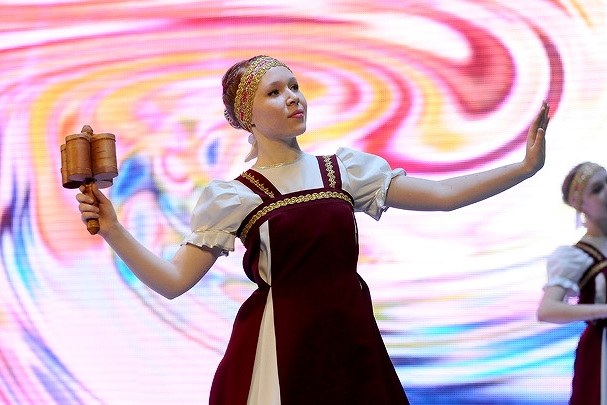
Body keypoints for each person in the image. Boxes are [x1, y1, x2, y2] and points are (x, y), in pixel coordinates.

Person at [77, 55, 550, 405]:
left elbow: (443, 195)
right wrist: (114, 229)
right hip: (281, 346)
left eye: (294, 86)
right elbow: (174, 281)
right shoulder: (235, 196)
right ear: (247, 116)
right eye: (274, 92)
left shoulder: (343, 171)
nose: (292, 98)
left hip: (350, 338)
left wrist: (524, 168)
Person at [537, 162, 607, 405]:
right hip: (602, 352)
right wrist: (603, 311)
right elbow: (547, 310)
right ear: (581, 206)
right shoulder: (577, 256)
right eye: (597, 189)